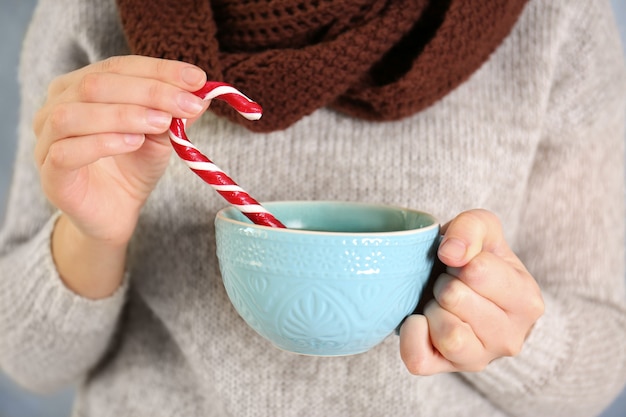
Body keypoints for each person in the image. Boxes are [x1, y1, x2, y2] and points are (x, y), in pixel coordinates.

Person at [0, 0, 624, 415]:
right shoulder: (88, 13)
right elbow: (28, 362)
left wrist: (506, 331)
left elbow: (601, 366)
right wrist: (91, 236)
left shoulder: (557, 19)